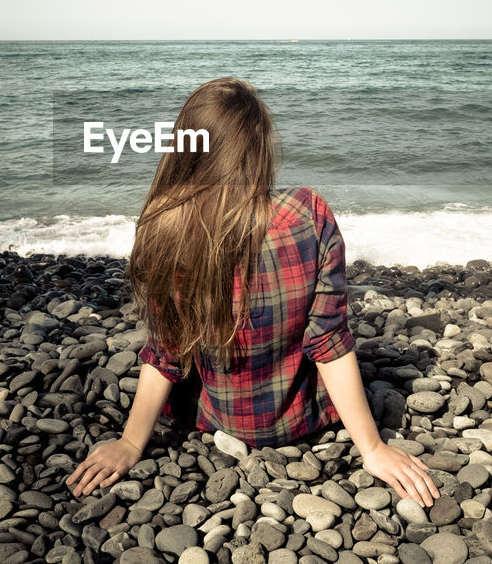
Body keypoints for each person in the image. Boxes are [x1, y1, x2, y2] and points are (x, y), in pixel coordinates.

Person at [67, 78, 438, 506]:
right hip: (302, 418)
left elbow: (166, 349)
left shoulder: (162, 226)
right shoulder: (309, 213)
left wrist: (131, 443)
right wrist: (372, 449)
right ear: (259, 147)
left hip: (217, 417)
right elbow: (328, 341)